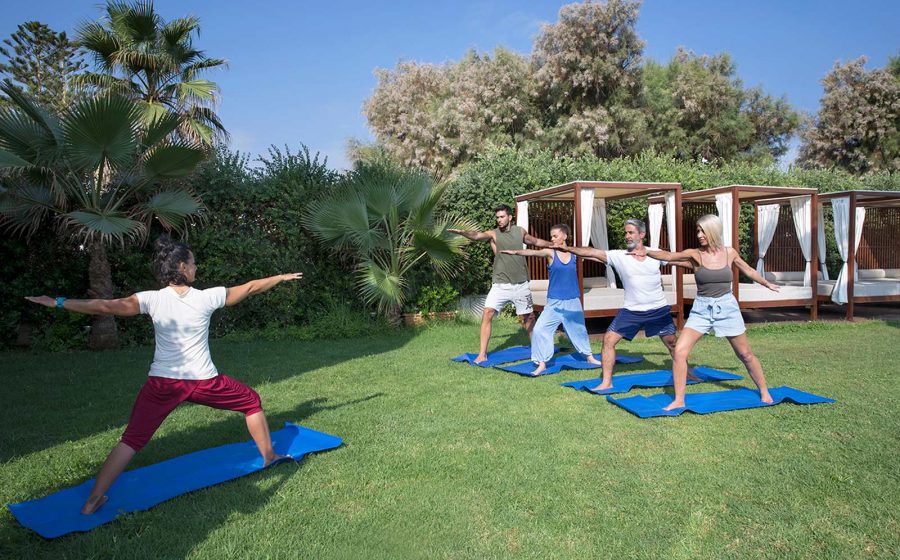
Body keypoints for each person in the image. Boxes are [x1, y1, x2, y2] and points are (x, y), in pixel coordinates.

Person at [25, 236, 303, 515]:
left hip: (162, 384)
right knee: (251, 401)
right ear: (182, 267)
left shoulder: (152, 299)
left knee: (131, 439)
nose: (196, 267)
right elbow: (251, 287)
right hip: (204, 382)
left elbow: (105, 306)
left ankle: (93, 500)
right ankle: (269, 457)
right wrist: (279, 277)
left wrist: (58, 302)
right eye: (193, 263)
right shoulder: (207, 297)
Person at [629, 214, 778, 410]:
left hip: (727, 307)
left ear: (713, 231)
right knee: (680, 352)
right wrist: (644, 250)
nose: (699, 235)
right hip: (701, 309)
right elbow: (669, 256)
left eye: (702, 231)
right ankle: (679, 400)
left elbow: (748, 269)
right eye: (698, 231)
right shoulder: (695, 254)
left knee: (745, 354)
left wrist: (766, 283)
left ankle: (765, 391)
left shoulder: (729, 253)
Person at [556, 218, 694, 391]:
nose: (627, 236)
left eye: (631, 232)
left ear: (642, 234)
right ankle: (606, 382)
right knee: (608, 340)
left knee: (673, 344)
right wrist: (568, 248)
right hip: (631, 311)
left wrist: (707, 265)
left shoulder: (655, 253)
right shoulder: (618, 256)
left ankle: (688, 373)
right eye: (626, 233)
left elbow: (681, 262)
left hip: (658, 309)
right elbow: (591, 252)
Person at [449, 204, 551, 364]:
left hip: (521, 283)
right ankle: (482, 354)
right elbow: (476, 235)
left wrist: (553, 245)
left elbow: (535, 241)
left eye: (502, 217)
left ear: (510, 217)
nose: (499, 220)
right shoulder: (494, 234)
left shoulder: (520, 231)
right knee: (488, 313)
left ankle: (537, 351)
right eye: (497, 217)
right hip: (500, 284)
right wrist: (463, 233)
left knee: (529, 318)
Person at [501, 224, 601, 375]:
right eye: (551, 236)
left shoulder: (574, 254)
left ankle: (589, 357)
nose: (552, 238)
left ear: (565, 236)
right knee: (541, 329)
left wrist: (612, 258)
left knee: (579, 330)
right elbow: (532, 253)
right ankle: (542, 363)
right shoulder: (550, 253)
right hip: (554, 303)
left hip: (572, 300)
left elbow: (593, 254)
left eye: (555, 236)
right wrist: (515, 251)